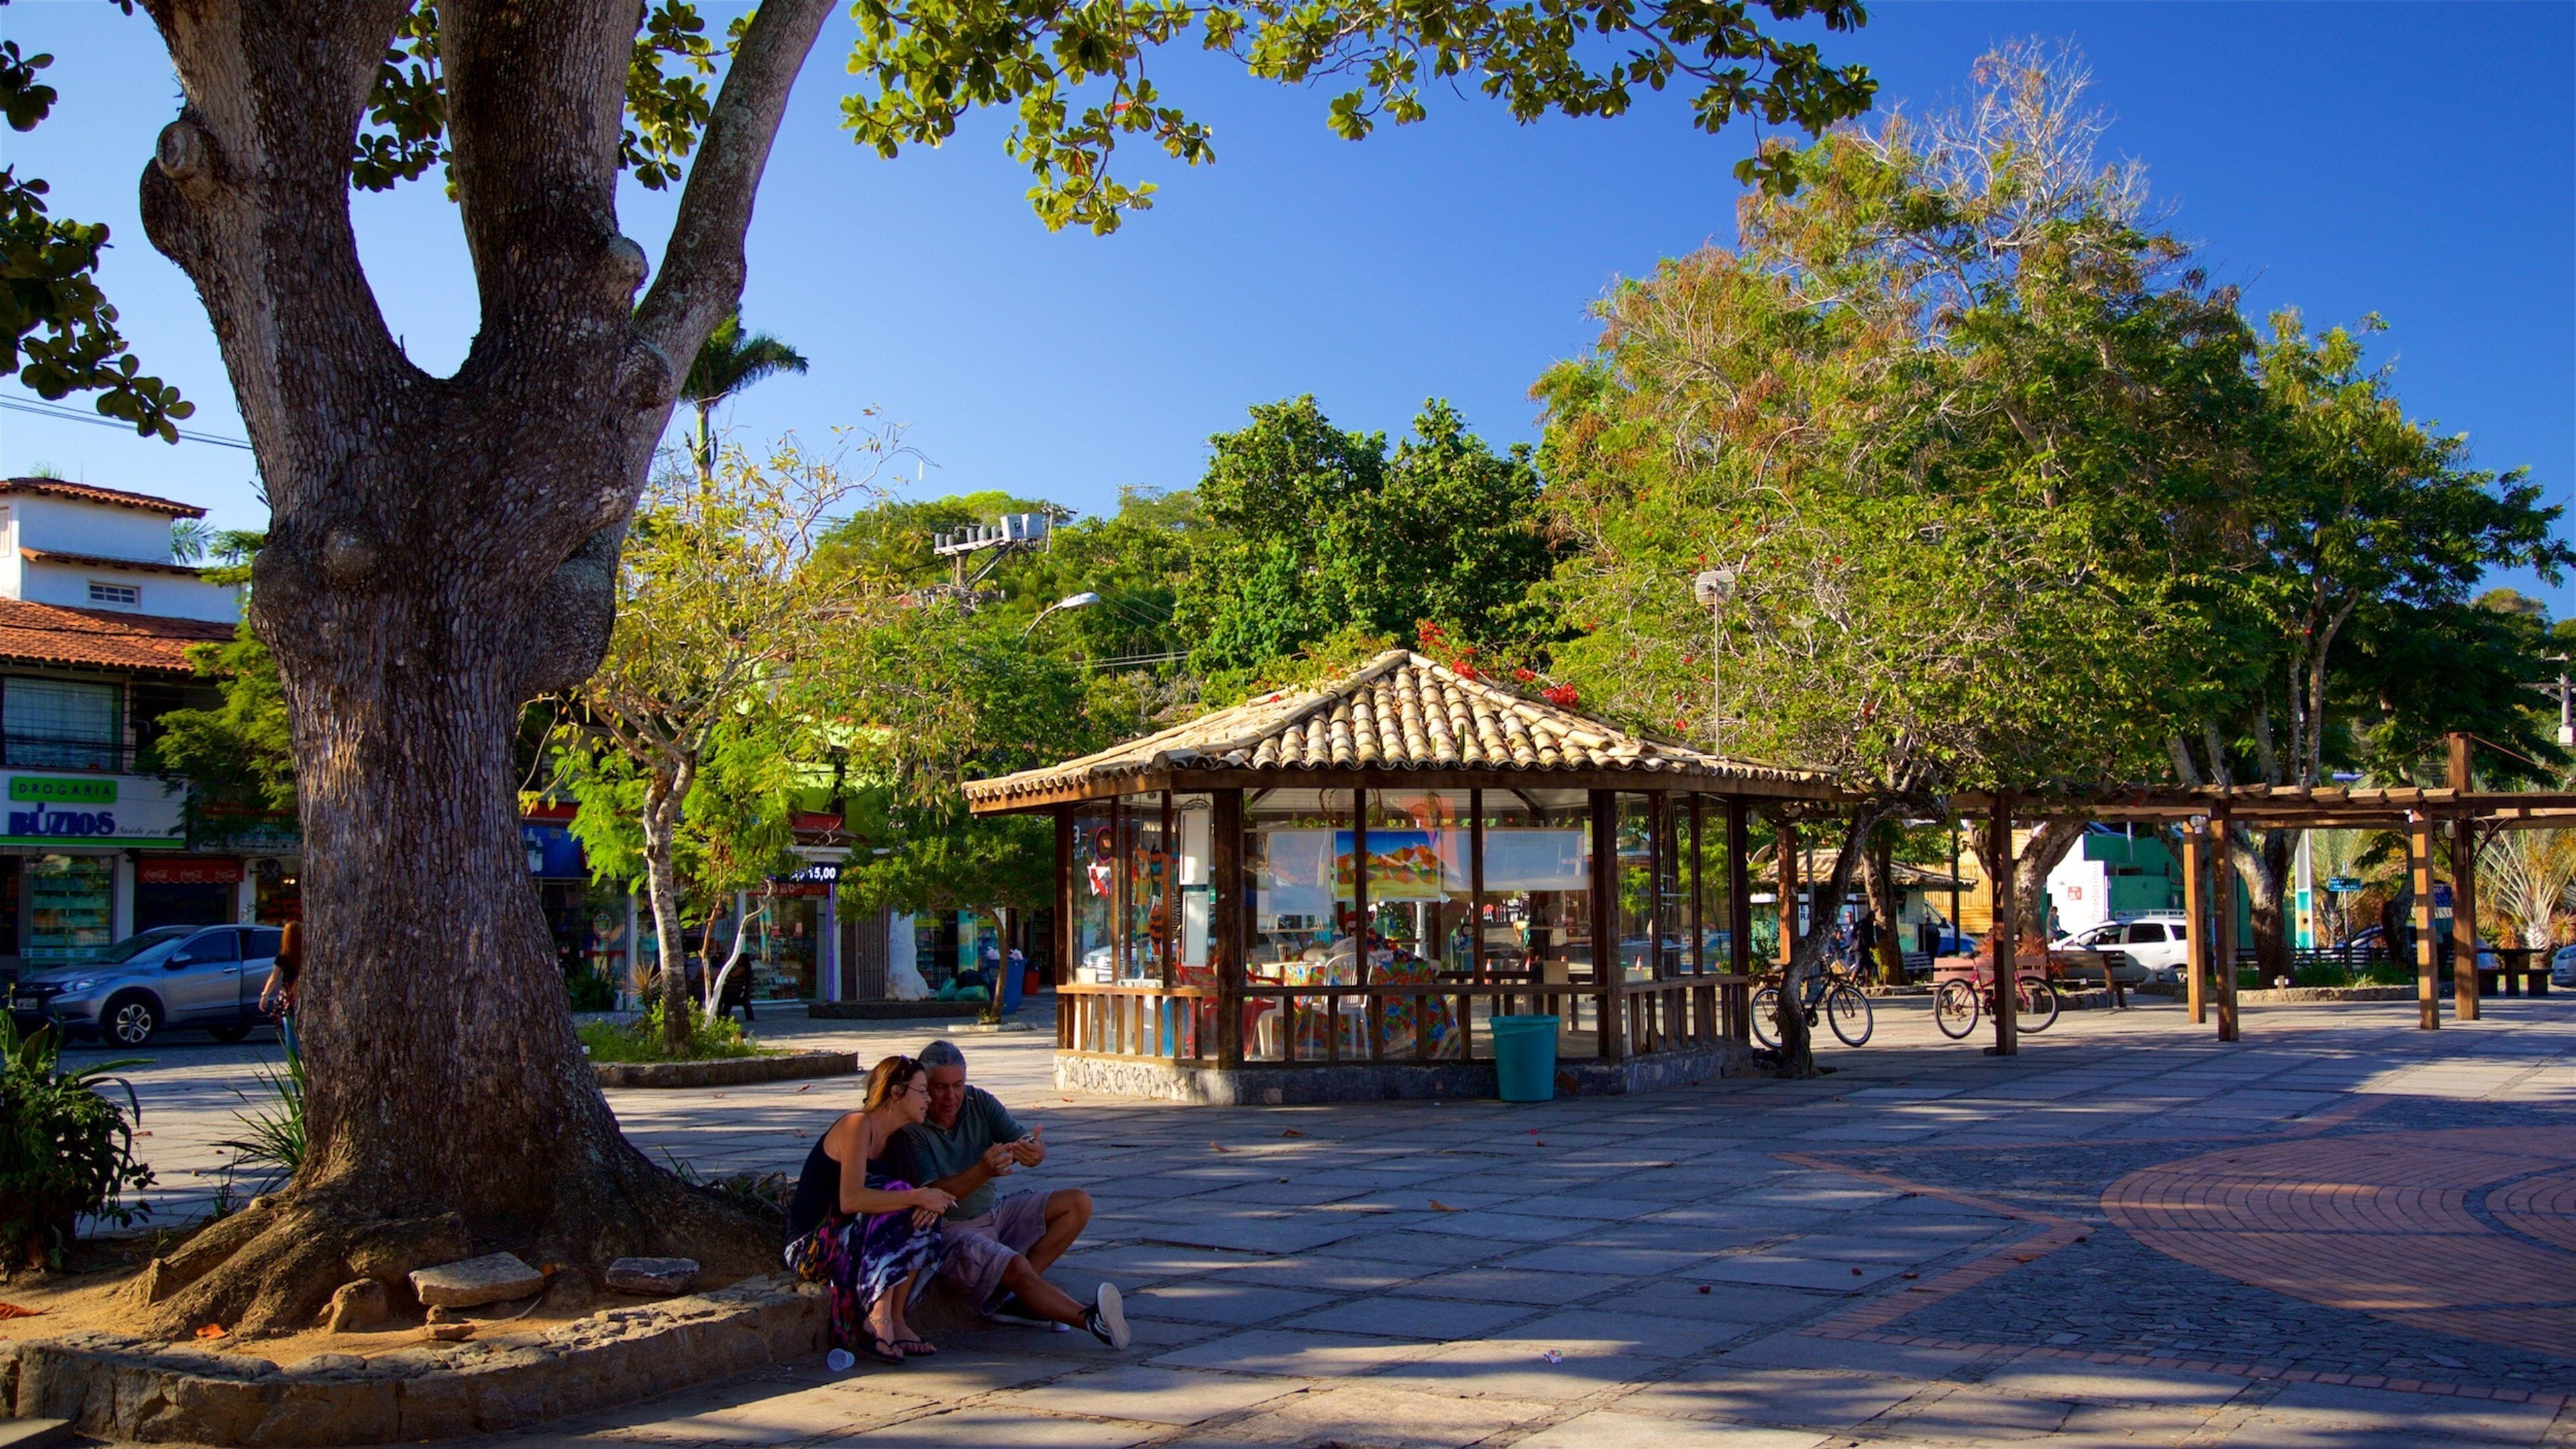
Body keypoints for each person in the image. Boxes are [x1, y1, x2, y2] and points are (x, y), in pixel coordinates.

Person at [889, 1038, 1128, 1348]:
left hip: (993, 1214)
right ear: (923, 1087)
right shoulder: (914, 1125)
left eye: (958, 1085)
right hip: (951, 1231)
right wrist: (982, 1171)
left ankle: (1018, 1299)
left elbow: (1025, 1138)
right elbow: (932, 1196)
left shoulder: (978, 1102)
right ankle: (1091, 1321)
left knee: (1077, 1202)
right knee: (1015, 1265)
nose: (951, 1097)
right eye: (940, 1088)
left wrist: (1033, 1150)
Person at [783, 1055, 957, 1364]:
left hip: (857, 1238)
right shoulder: (856, 1125)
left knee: (922, 1212)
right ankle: (878, 1316)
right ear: (895, 1092)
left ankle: (897, 1318)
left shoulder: (900, 1142)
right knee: (904, 1195)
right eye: (922, 1091)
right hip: (813, 1246)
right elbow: (852, 1200)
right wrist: (917, 1196)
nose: (929, 1100)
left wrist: (925, 1203)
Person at [259, 920, 303, 1053]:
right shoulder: (307, 954)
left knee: (290, 1031)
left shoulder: (283, 956)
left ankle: (294, 1062)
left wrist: (265, 995)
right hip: (304, 994)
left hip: (289, 997)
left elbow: (274, 978)